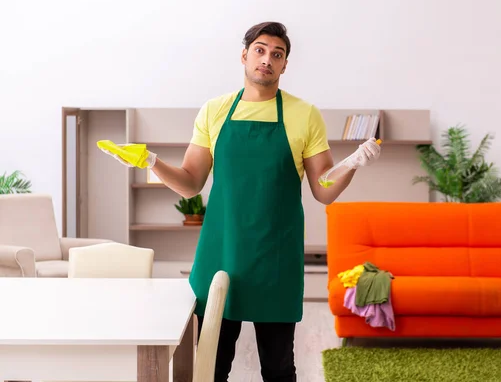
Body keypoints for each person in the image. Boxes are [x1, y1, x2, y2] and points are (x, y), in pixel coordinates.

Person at [101, 21, 381, 381]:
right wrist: (152, 162)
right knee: (211, 366)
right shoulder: (214, 111)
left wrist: (353, 164)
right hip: (222, 254)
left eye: (276, 54)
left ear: (284, 65)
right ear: (245, 55)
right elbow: (190, 184)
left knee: (279, 368)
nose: (267, 59)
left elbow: (323, 190)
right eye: (260, 50)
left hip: (275, 257)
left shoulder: (304, 114)